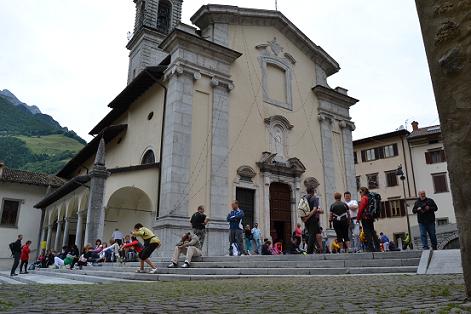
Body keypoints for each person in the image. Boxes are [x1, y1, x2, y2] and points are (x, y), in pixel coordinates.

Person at [300, 187, 324, 254]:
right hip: (312, 219)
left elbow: (300, 209)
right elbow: (314, 209)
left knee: (315, 233)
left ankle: (319, 248)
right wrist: (308, 217)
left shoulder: (304, 198)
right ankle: (309, 251)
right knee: (312, 235)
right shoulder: (314, 198)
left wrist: (303, 218)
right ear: (313, 191)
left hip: (306, 220)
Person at [357, 187, 380, 252]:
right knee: (372, 231)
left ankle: (370, 248)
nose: (360, 194)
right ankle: (377, 247)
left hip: (365, 217)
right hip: (371, 217)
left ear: (363, 192)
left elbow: (361, 209)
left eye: (360, 192)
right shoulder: (370, 197)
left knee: (367, 233)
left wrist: (358, 218)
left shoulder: (364, 198)